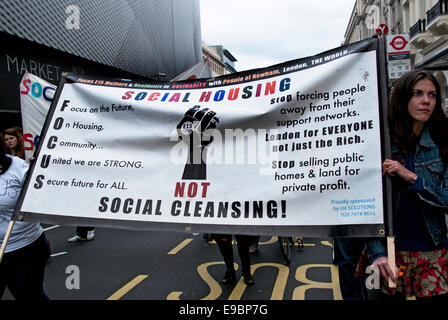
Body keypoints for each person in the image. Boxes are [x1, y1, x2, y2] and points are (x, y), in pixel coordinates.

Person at [364, 70, 448, 300]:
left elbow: (446, 198)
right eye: (418, 94)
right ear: (403, 99)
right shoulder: (380, 143)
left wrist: (411, 177)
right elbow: (365, 205)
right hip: (384, 253)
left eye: (432, 95)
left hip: (432, 250)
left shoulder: (442, 142)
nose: (426, 101)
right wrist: (376, 252)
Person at [0, 144, 50, 300]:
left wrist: (43, 174)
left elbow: (44, 197)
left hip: (24, 248)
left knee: (29, 296)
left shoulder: (16, 167)